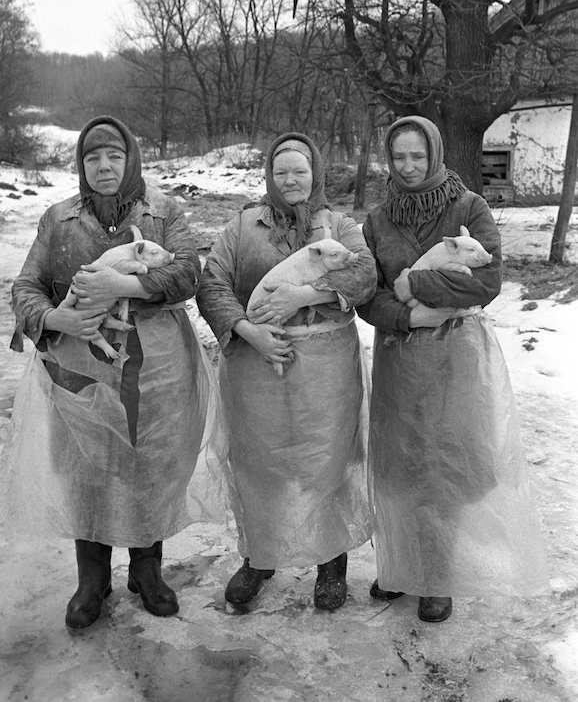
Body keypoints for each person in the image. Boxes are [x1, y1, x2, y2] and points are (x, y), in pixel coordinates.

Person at [1, 116, 214, 629]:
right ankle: (92, 580)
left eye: (114, 156)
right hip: (79, 363)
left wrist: (128, 288)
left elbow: (188, 271)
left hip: (157, 363)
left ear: (131, 159)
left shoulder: (162, 212)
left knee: (151, 463)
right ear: (81, 164)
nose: (103, 166)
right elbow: (26, 287)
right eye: (93, 157)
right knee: (86, 468)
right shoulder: (58, 219)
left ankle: (146, 569)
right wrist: (56, 317)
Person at [357, 116, 549, 622]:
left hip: (457, 354)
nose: (409, 166)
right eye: (399, 157)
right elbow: (366, 295)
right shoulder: (377, 221)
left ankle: (437, 575)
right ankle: (400, 566)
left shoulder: (469, 206)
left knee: (446, 466)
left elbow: (487, 282)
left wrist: (416, 288)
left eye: (418, 155)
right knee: (401, 466)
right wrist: (405, 314)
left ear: (435, 154)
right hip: (400, 354)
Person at [196, 132, 377, 611]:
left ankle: (330, 562)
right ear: (269, 177)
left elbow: (365, 276)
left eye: (300, 170)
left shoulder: (338, 224)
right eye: (281, 172)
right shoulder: (241, 227)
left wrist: (308, 295)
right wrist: (246, 330)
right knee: (260, 461)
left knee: (328, 459)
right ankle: (261, 554)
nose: (291, 179)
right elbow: (211, 284)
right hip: (257, 364)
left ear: (315, 173)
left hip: (327, 365)